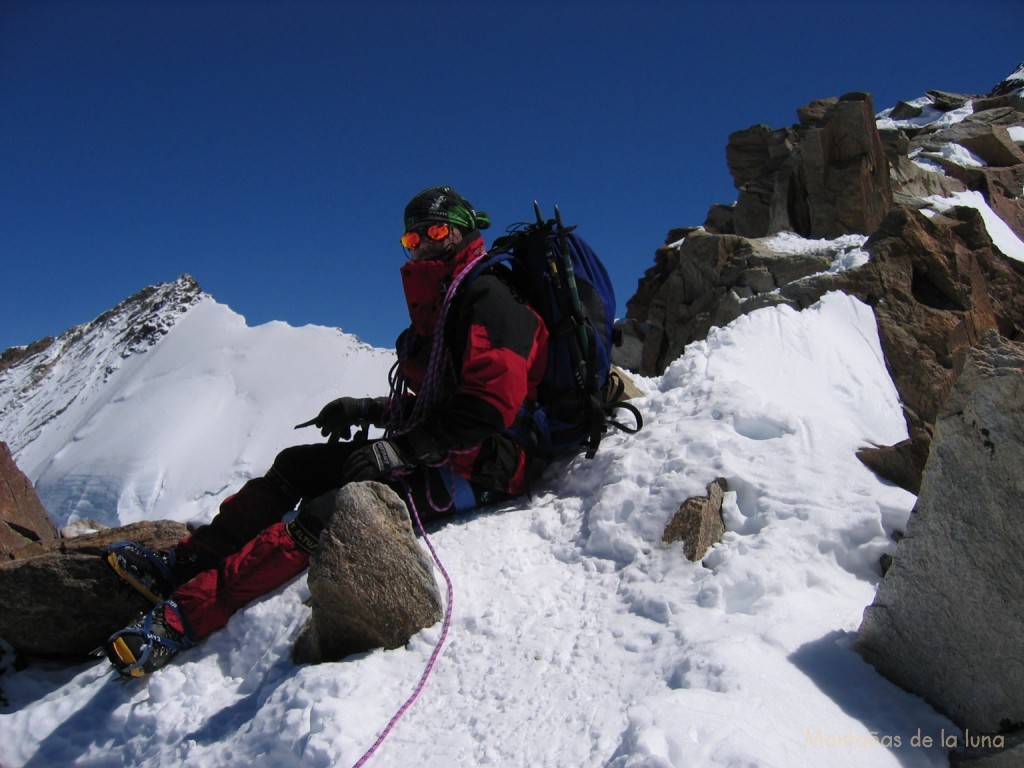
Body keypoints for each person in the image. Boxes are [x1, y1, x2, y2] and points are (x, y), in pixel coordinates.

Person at [104, 186, 551, 678]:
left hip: (485, 465)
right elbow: (440, 401)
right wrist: (366, 409)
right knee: (298, 465)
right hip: (445, 447)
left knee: (332, 509)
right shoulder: (446, 302)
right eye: (411, 237)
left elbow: (491, 405)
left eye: (436, 231)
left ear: (464, 229)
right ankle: (188, 562)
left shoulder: (488, 296)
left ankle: (185, 616)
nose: (422, 244)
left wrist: (399, 449)